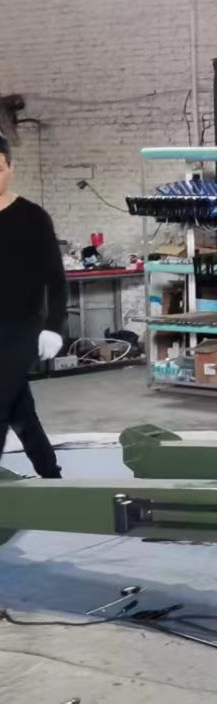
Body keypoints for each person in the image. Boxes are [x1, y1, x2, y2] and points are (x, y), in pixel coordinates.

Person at [0, 137, 66, 479]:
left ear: (11, 168)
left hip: (21, 328)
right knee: (19, 409)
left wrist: (53, 327)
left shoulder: (32, 218)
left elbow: (56, 280)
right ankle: (51, 474)